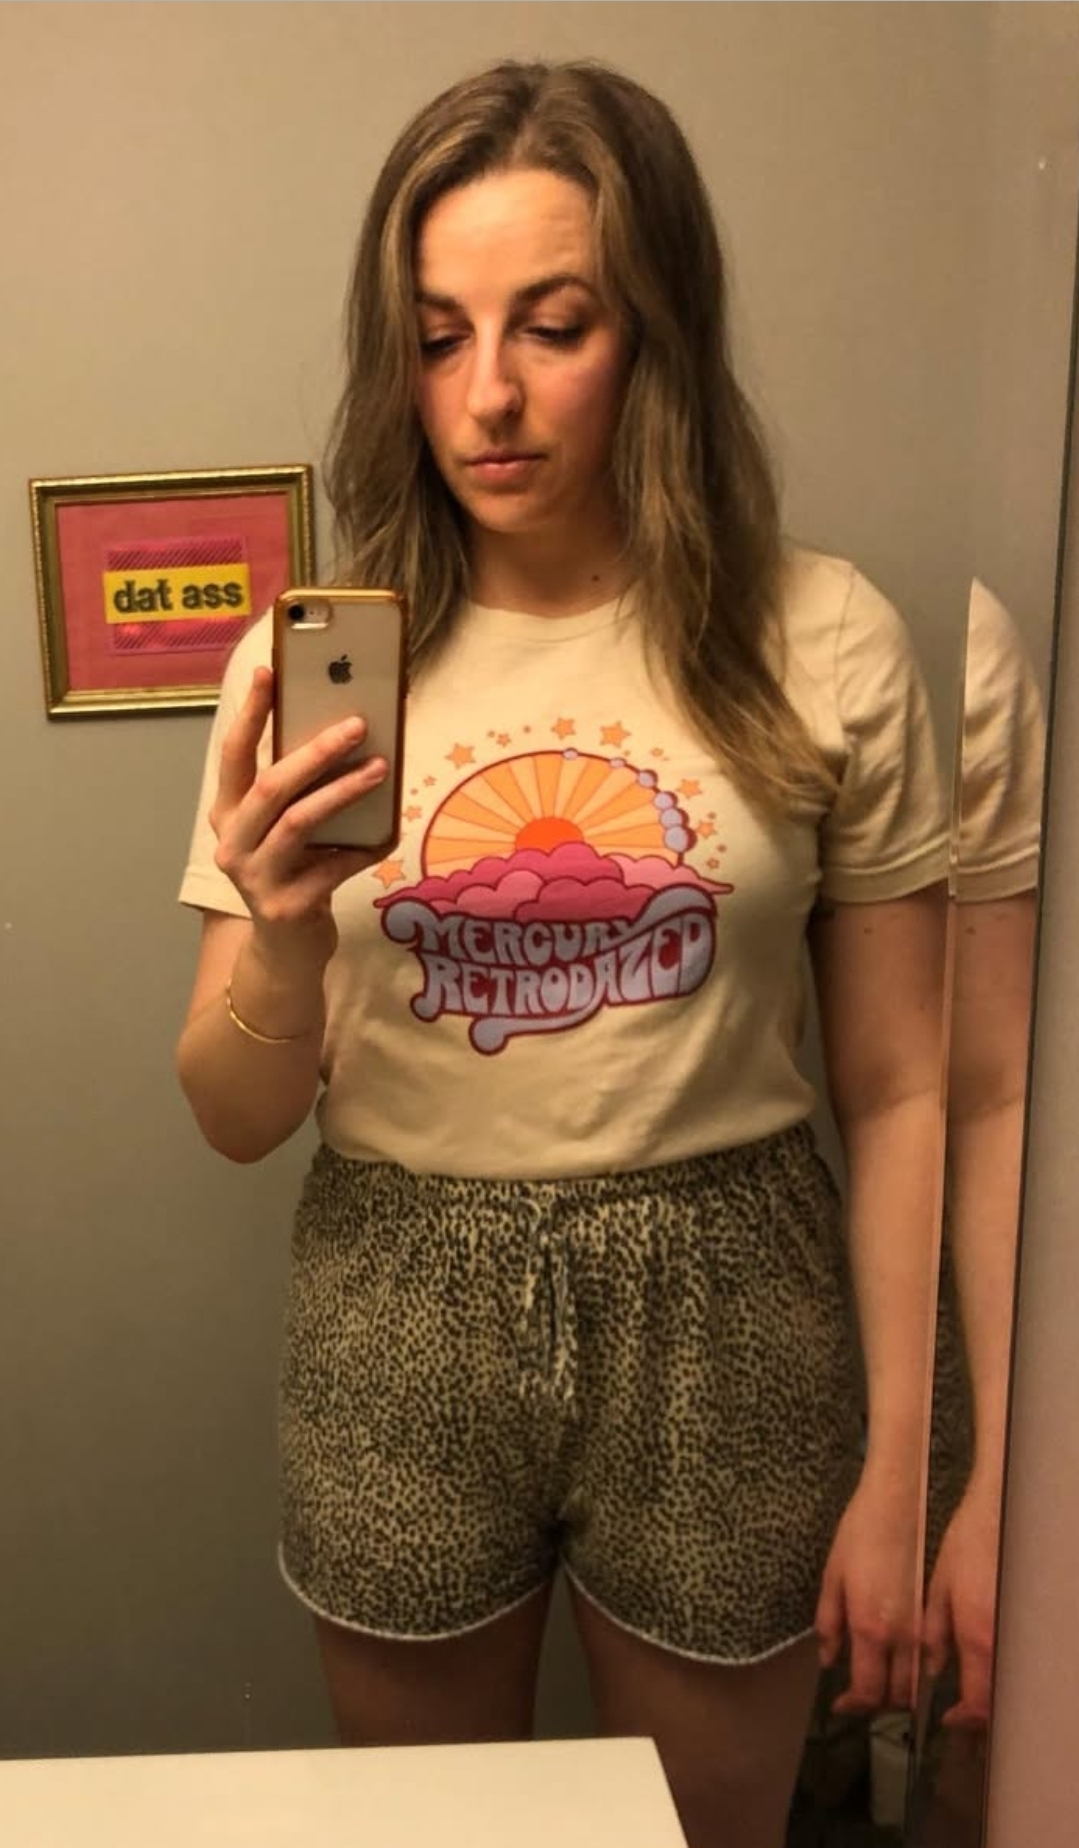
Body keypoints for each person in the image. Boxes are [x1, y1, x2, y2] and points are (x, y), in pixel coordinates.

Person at [177, 59, 948, 1848]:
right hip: (399, 1296)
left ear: (655, 332)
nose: (490, 397)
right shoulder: (313, 666)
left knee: (707, 1832)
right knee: (432, 1836)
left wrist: (912, 1459)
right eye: (437, 338)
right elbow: (229, 1113)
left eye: (554, 326)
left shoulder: (821, 637)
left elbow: (908, 1086)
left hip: (732, 1299)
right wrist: (280, 942)